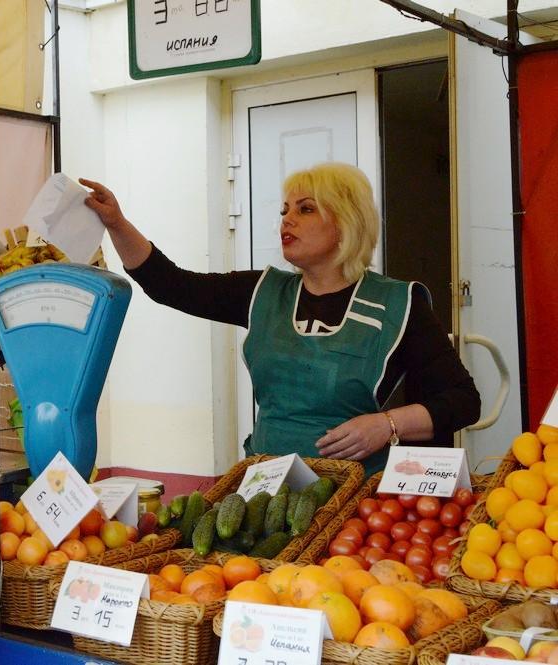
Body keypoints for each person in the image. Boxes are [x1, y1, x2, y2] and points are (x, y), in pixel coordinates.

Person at [80, 162, 480, 475]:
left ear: (346, 222)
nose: (287, 220)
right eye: (285, 210)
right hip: (267, 488)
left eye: (306, 209)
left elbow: (463, 401)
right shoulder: (262, 292)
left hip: (356, 504)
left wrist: (387, 425)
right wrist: (117, 224)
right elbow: (170, 285)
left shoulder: (398, 304)